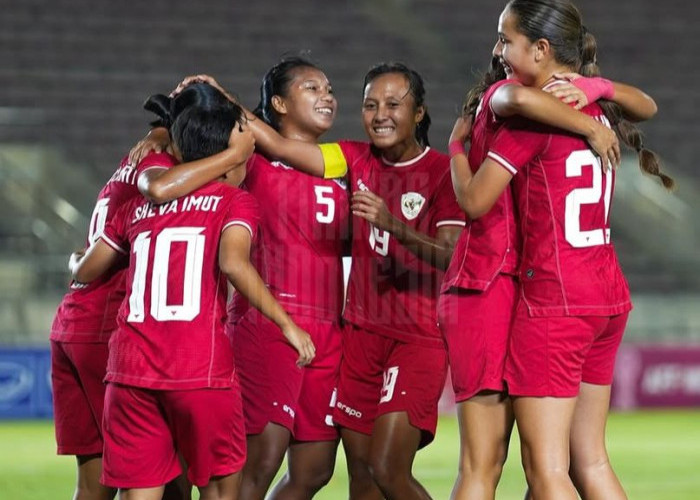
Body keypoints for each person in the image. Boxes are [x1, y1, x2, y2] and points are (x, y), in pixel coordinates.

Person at [180, 62, 466, 500]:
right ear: (279, 103)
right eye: (370, 104)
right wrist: (188, 118)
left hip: (368, 336)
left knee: (344, 468)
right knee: (302, 464)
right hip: (299, 329)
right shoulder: (305, 159)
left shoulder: (395, 172)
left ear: (420, 113)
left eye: (393, 103)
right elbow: (236, 142)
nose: (379, 113)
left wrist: (392, 228)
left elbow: (428, 251)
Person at [447, 1, 673, 499]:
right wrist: (598, 95)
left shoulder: (534, 116)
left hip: (555, 301)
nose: (498, 51)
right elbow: (648, 105)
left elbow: (476, 200)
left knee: (547, 470)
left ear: (542, 49)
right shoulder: (595, 109)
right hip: (607, 297)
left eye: (507, 41)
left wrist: (457, 149)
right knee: (588, 459)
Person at [70, 87, 315, 500]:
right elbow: (234, 264)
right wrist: (289, 326)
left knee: (139, 495)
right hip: (198, 368)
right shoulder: (234, 201)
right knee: (220, 491)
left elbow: (99, 259)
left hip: (130, 369)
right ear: (232, 152)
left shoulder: (139, 204)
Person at [129, 57, 349, 500]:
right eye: (312, 88)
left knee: (315, 470)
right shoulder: (250, 163)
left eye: (328, 87)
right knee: (259, 462)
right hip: (268, 323)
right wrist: (160, 134)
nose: (327, 95)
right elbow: (201, 135)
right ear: (280, 104)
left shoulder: (342, 164)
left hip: (330, 330)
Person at [48, 81, 251, 500]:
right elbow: (160, 189)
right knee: (162, 472)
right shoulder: (160, 168)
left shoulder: (131, 159)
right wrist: (234, 155)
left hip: (76, 319)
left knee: (95, 484)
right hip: (116, 328)